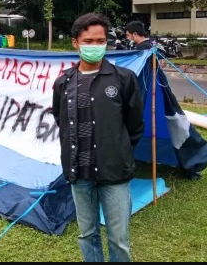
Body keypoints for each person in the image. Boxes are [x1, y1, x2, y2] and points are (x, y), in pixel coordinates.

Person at [52, 13, 145, 262]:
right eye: (89, 41)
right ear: (76, 43)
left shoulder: (124, 79)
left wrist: (117, 150)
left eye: (100, 40)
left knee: (119, 240)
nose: (95, 46)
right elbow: (61, 121)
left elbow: (135, 126)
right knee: (87, 234)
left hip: (114, 173)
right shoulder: (64, 83)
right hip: (79, 174)